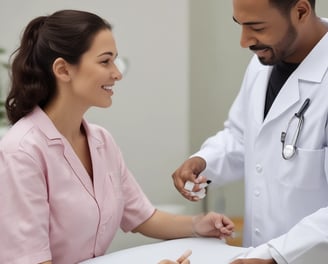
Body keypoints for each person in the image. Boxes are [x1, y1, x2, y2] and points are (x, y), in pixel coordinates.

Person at [0, 9, 235, 264]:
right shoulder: (22, 152)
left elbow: (142, 216)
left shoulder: (101, 141)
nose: (117, 73)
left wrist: (197, 225)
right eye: (105, 61)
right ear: (63, 70)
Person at [172, 0, 328, 263]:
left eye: (256, 26)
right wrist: (204, 161)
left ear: (300, 12)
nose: (244, 41)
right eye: (240, 25)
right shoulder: (262, 63)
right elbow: (242, 136)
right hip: (255, 253)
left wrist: (276, 254)